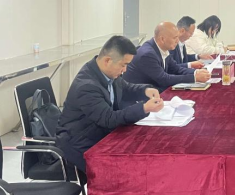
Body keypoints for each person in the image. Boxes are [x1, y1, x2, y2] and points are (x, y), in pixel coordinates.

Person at [56, 36, 164, 173]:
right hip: (80, 146)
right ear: (107, 60)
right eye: (123, 65)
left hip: (100, 135)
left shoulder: (108, 73)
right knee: (128, 168)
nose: (125, 70)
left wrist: (145, 90)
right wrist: (144, 108)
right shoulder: (87, 86)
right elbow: (109, 119)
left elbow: (126, 88)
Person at [124, 22, 211, 92]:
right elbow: (164, 79)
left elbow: (176, 69)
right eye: (175, 38)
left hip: (156, 89)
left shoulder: (163, 48)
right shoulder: (147, 54)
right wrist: (194, 78)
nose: (177, 41)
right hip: (141, 97)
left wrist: (196, 72)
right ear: (162, 39)